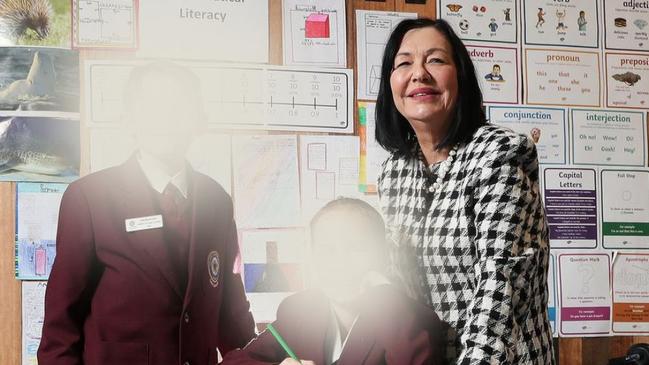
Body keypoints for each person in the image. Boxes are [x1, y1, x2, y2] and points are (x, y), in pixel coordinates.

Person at [38, 62, 256, 365]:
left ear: (199, 121)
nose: (166, 117)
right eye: (152, 105)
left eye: (179, 105)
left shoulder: (216, 201)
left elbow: (232, 317)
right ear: (128, 121)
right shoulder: (89, 198)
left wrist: (272, 359)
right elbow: (60, 331)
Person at [374, 18, 554, 364]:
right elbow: (395, 287)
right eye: (404, 62)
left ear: (461, 77)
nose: (419, 73)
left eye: (436, 60)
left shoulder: (499, 154)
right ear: (390, 83)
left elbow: (498, 287)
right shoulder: (394, 171)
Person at [222, 198, 446, 365]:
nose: (341, 263)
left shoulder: (409, 319)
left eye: (356, 248)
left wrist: (385, 297)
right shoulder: (298, 311)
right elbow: (233, 362)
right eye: (327, 250)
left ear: (382, 254)